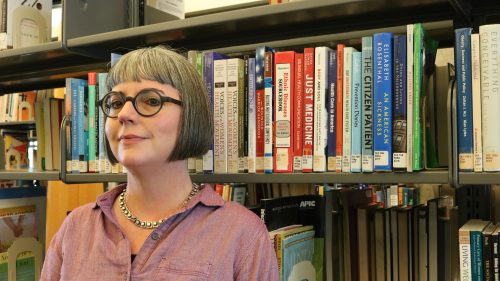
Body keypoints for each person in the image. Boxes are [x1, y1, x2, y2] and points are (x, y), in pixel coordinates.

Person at [41, 46, 279, 280]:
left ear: (190, 115)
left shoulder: (242, 235)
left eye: (151, 101)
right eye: (115, 103)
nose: (124, 114)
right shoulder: (75, 228)